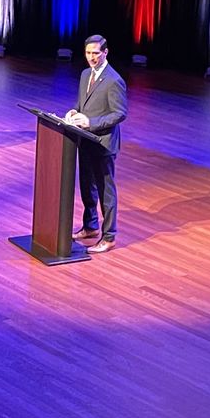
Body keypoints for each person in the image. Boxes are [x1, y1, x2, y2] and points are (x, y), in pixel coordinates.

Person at [63, 34, 126, 253]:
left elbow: (119, 114)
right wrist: (75, 112)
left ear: (105, 53)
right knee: (86, 185)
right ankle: (90, 226)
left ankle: (109, 236)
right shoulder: (84, 75)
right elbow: (83, 104)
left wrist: (91, 122)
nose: (91, 58)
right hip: (86, 140)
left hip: (103, 143)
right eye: (88, 53)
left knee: (105, 190)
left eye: (96, 53)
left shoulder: (114, 80)